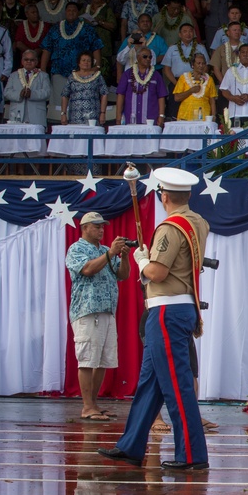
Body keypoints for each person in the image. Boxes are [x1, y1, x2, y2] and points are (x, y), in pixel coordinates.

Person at [98, 168, 211, 471]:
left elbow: (157, 273)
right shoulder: (198, 222)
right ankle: (132, 444)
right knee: (150, 383)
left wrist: (142, 260)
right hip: (177, 308)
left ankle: (192, 455)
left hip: (166, 311)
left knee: (176, 384)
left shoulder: (170, 227)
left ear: (164, 196)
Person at [66, 211, 131, 423]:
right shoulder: (76, 249)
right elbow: (87, 269)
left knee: (102, 360)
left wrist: (124, 256)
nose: (101, 229)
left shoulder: (104, 250)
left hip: (107, 310)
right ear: (84, 228)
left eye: (102, 226)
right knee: (86, 359)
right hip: (87, 310)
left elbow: (122, 275)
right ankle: (86, 406)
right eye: (96, 226)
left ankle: (93, 404)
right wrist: (111, 253)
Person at [116, 46, 167, 126]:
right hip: (131, 119)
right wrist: (118, 116)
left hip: (151, 120)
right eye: (145, 56)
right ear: (137, 57)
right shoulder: (128, 74)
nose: (148, 59)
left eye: (150, 57)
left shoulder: (156, 75)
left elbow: (161, 96)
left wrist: (161, 116)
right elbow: (121, 95)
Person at [60, 51, 107, 125]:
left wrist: (103, 113)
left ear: (92, 63)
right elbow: (65, 95)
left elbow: (104, 94)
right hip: (75, 115)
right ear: (79, 63)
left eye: (88, 61)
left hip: (93, 115)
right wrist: (63, 114)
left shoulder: (97, 76)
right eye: (83, 60)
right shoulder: (72, 77)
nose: (86, 62)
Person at [2, 49, 48, 125]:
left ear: (36, 62)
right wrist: (19, 94)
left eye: (32, 60)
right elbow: (6, 92)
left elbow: (47, 93)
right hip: (17, 114)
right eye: (26, 59)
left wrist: (32, 94)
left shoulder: (43, 76)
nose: (28, 62)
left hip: (36, 116)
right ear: (22, 61)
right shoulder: (14, 75)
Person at [116, 13, 168, 78]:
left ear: (151, 24)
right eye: (142, 21)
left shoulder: (158, 39)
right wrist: (119, 77)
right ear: (138, 24)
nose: (145, 23)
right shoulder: (130, 39)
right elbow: (119, 59)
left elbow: (164, 55)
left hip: (153, 73)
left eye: (147, 21)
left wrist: (144, 46)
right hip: (130, 75)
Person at [173, 52, 216, 120]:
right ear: (192, 64)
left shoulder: (209, 79)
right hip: (185, 116)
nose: (201, 65)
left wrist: (213, 116)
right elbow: (177, 98)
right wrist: (191, 91)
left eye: (203, 63)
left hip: (204, 117)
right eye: (198, 63)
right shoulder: (183, 77)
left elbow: (212, 100)